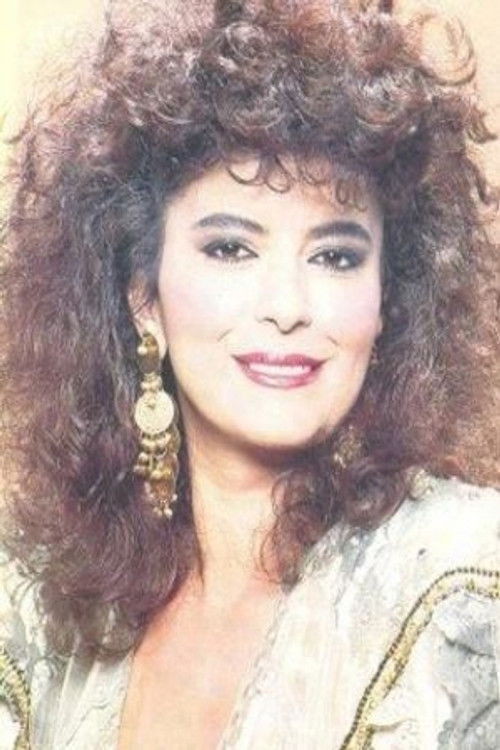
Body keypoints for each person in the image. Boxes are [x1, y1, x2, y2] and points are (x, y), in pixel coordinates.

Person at [0, 0, 499, 747]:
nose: (288, 308)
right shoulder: (38, 614)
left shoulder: (464, 590)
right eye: (231, 248)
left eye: (335, 256)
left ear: (386, 302)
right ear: (144, 297)